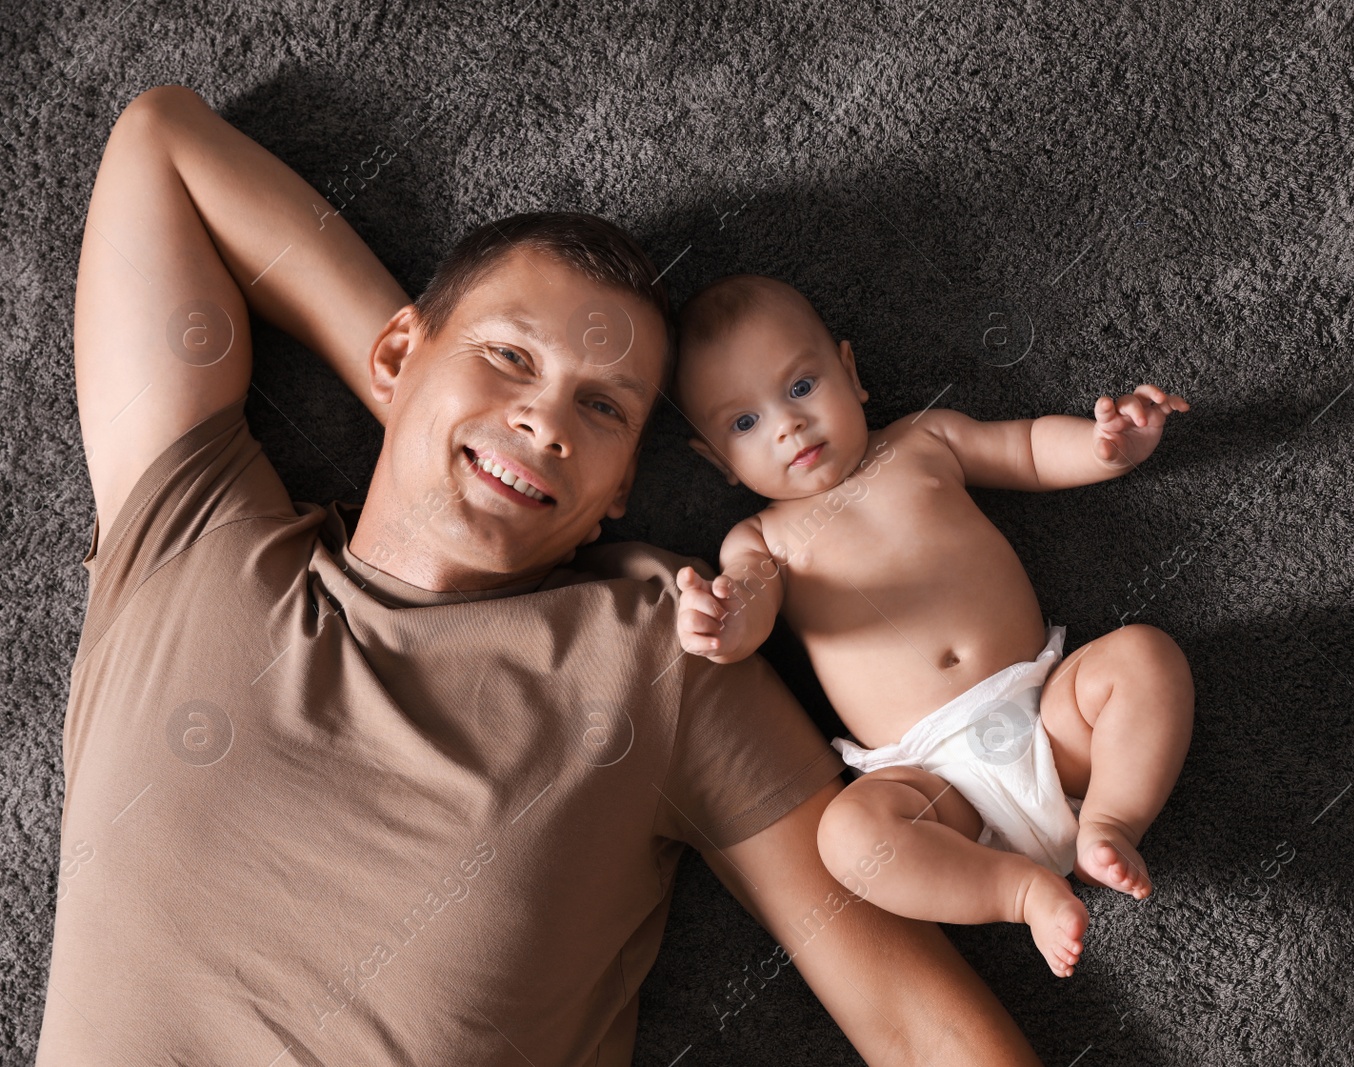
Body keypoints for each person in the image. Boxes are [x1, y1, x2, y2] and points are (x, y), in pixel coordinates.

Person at [39, 85, 1045, 1065]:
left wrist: (462, 401)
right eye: (509, 356)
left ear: (619, 491)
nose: (548, 418)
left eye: (603, 408)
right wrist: (419, 394)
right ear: (400, 346)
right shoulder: (191, 530)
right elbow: (161, 142)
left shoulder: (664, 648)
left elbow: (919, 1028)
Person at [668, 274, 1196, 979]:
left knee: (1144, 657)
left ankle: (1110, 821)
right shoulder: (757, 540)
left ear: (850, 374)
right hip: (937, 789)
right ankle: (1018, 891)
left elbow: (1031, 450)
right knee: (849, 837)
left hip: (1050, 716)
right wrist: (717, 620)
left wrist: (1108, 447)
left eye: (800, 387)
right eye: (743, 424)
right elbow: (750, 612)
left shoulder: (922, 438)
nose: (787, 425)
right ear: (716, 460)